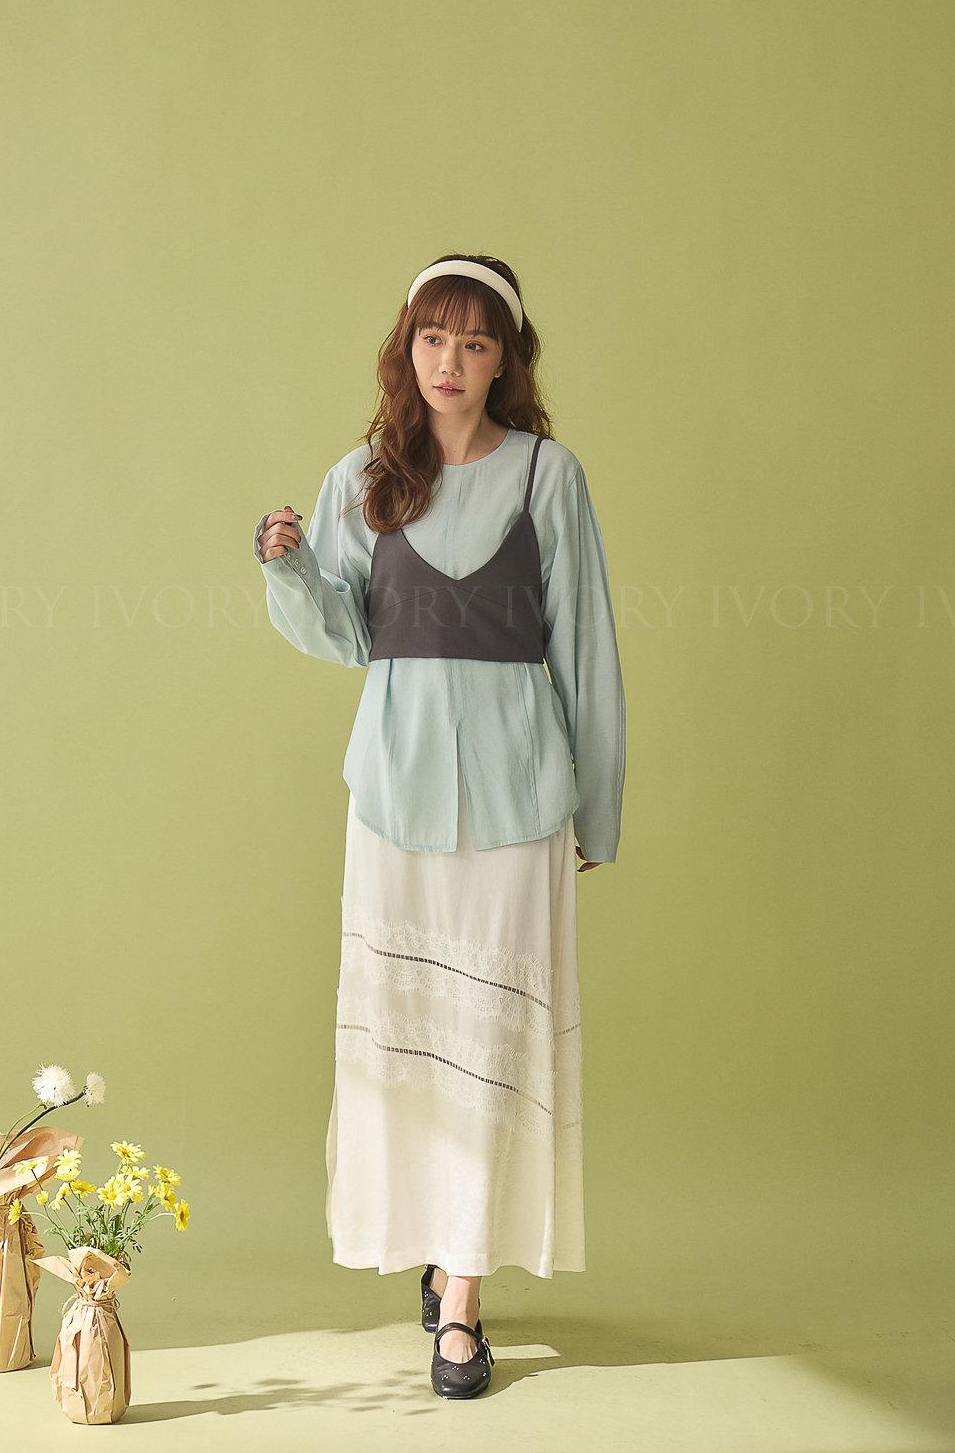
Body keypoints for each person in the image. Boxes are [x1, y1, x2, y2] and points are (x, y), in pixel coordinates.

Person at [253, 253, 626, 1400]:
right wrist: (290, 567)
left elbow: (587, 648)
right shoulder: (365, 477)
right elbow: (344, 634)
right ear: (405, 348)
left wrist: (598, 809)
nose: (449, 361)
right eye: (431, 337)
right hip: (395, 796)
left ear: (504, 359)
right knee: (410, 1047)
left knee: (494, 1048)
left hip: (519, 800)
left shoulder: (547, 476)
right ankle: (435, 1241)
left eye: (473, 342)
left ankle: (461, 1296)